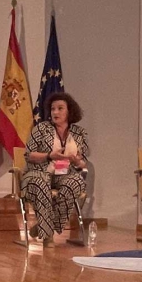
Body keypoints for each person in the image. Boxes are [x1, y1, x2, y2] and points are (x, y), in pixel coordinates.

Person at [21, 92, 89, 246]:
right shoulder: (41, 128)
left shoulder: (79, 133)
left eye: (60, 108)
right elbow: (28, 155)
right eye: (53, 109)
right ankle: (47, 236)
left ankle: (43, 226)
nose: (55, 112)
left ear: (69, 111)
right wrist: (49, 155)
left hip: (64, 174)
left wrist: (77, 161)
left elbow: (83, 163)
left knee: (76, 181)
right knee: (41, 181)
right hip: (37, 173)